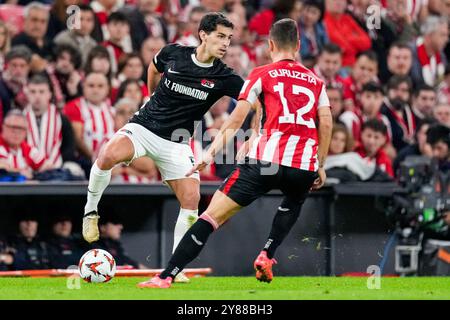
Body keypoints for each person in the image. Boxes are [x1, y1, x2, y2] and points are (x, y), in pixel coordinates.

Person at [138, 18, 333, 288]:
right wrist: (319, 163)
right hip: (303, 164)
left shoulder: (261, 74)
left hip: (265, 161)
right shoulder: (316, 81)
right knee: (293, 202)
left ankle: (165, 276)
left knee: (210, 217)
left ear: (270, 45)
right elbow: (325, 122)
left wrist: (211, 153)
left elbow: (236, 119)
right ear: (299, 45)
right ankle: (267, 253)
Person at [81, 13, 244, 283]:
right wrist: (150, 96)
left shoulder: (225, 76)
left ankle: (174, 268)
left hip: (177, 142)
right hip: (145, 127)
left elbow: (251, 98)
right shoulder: (174, 53)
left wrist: (257, 126)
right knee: (108, 155)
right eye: (220, 36)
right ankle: (90, 211)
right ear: (203, 34)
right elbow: (153, 68)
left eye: (229, 38)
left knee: (191, 201)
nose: (225, 43)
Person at [24, 75, 76, 169]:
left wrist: (53, 164)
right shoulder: (19, 119)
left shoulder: (62, 119)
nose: (37, 96)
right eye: (33, 92)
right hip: (27, 167)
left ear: (49, 94)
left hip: (56, 168)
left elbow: (69, 148)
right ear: (27, 94)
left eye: (42, 92)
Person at [0, 110, 47, 180]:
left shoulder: (28, 149)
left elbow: (46, 166)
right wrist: (20, 172)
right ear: (3, 127)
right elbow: (2, 167)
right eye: (12, 127)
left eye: (21, 129)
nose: (16, 132)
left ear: (26, 132)